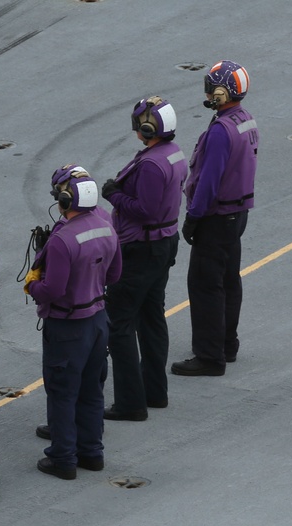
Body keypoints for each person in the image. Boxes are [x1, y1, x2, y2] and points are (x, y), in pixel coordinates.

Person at [25, 165, 122, 480]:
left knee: (62, 392)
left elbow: (52, 290)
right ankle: (92, 453)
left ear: (66, 201)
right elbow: (115, 274)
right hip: (97, 320)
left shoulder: (62, 239)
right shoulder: (107, 226)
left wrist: (32, 285)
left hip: (68, 327)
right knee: (92, 390)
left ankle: (63, 458)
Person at [101, 96, 189, 420]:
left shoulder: (151, 164)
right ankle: (155, 391)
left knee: (119, 323)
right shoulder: (172, 153)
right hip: (163, 245)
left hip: (141, 250)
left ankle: (130, 403)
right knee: (151, 318)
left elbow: (145, 210)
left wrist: (114, 194)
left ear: (148, 127)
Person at [172, 60, 258, 377]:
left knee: (205, 284)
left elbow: (208, 180)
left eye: (211, 86)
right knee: (228, 280)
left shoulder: (221, 131)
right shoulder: (245, 120)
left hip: (216, 216)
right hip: (238, 214)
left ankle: (209, 356)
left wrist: (193, 217)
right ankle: (226, 343)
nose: (208, 91)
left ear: (222, 92)